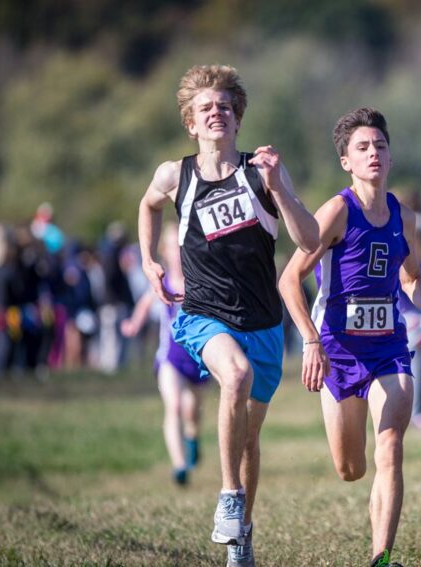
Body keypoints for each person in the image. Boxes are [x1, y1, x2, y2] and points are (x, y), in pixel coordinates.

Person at [137, 64, 319, 567]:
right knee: (233, 376)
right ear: (191, 124)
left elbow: (309, 240)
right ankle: (228, 497)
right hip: (202, 315)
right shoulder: (175, 175)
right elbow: (148, 205)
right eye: (204, 109)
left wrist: (280, 185)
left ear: (237, 117)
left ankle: (241, 535)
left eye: (223, 107)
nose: (215, 114)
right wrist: (149, 259)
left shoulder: (261, 174)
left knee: (249, 437)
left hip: (262, 322)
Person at [278, 107, 421, 567]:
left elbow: (413, 278)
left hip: (388, 350)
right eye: (363, 147)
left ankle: (381, 557)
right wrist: (311, 341)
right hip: (338, 351)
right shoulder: (338, 211)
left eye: (379, 145)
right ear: (347, 162)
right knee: (350, 468)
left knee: (391, 446)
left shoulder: (404, 216)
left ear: (390, 156)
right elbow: (289, 279)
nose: (373, 153)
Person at [121, 222, 207, 485]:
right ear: (165, 251)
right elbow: (146, 303)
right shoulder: (163, 281)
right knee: (174, 406)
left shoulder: (199, 281)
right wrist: (134, 323)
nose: (178, 251)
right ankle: (179, 466)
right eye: (172, 246)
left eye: (182, 245)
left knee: (192, 412)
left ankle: (192, 436)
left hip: (199, 359)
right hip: (170, 358)